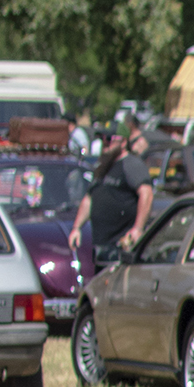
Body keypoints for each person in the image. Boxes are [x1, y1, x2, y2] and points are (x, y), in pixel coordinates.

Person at [68, 120, 155, 283]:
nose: (105, 142)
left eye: (109, 138)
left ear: (123, 142)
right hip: (102, 248)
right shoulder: (103, 167)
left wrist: (138, 228)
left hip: (121, 247)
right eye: (102, 138)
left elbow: (147, 194)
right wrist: (76, 227)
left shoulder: (131, 164)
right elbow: (89, 198)